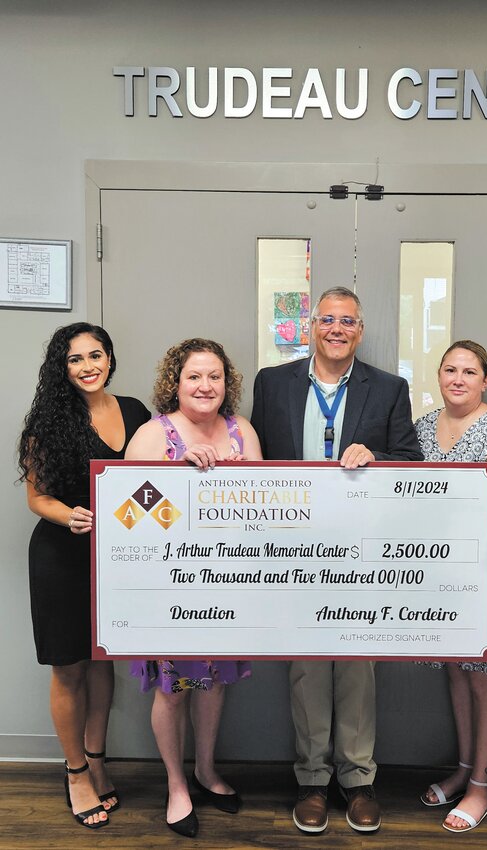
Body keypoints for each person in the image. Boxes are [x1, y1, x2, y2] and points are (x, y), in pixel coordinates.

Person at [251, 285, 422, 834]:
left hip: (360, 550)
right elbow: (256, 459)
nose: (337, 329)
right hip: (292, 548)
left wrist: (378, 457)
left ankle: (358, 778)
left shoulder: (390, 388)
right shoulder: (272, 382)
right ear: (311, 327)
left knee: (356, 663)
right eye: (327, 319)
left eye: (348, 321)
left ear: (360, 330)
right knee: (306, 665)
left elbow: (412, 461)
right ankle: (311, 779)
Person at [125, 338, 262, 839]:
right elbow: (129, 519)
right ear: (174, 383)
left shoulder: (242, 431)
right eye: (194, 377)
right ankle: (177, 784)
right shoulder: (150, 435)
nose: (205, 386)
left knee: (214, 679)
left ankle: (206, 770)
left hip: (227, 584)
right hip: (171, 591)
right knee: (176, 687)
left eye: (215, 377)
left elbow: (265, 513)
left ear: (228, 384)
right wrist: (175, 477)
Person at [18, 322, 151, 830]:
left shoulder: (136, 412)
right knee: (69, 666)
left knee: (103, 662)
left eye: (96, 355)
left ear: (110, 358)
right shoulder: (48, 421)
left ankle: (97, 759)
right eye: (76, 359)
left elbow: (153, 475)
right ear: (63, 367)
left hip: (119, 557)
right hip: (62, 556)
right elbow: (37, 497)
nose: (88, 366)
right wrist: (65, 514)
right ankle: (75, 772)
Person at [415, 340, 487, 833]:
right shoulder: (421, 427)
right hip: (438, 572)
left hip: (485, 569)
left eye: (470, 371)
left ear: (485, 380)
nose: (458, 378)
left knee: (483, 674)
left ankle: (483, 783)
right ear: (438, 376)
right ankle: (464, 768)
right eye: (450, 369)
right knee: (455, 673)